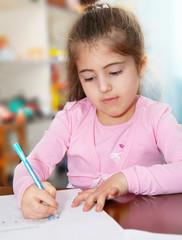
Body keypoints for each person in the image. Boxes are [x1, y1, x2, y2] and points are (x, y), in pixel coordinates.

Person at [13, 3, 182, 219]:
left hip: (139, 225)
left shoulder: (157, 117)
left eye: (114, 72)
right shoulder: (71, 117)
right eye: (90, 78)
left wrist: (126, 179)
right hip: (80, 223)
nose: (103, 88)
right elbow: (32, 164)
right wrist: (27, 190)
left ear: (140, 66)